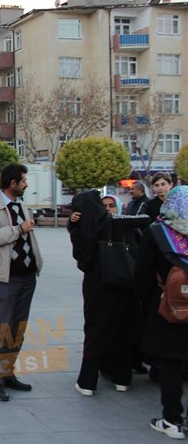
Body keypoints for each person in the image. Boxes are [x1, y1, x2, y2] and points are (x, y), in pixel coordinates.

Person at [68, 190, 150, 397]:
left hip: (95, 284)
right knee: (121, 327)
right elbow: (145, 218)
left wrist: (73, 222)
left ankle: (88, 381)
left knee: (95, 329)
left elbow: (79, 254)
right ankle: (122, 379)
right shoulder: (113, 220)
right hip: (121, 280)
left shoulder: (79, 227)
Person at [0, 163, 43, 401]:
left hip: (27, 275)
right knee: (3, 328)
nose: (26, 184)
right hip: (4, 277)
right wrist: (18, 229)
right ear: (12, 183)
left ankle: (8, 373)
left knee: (18, 328)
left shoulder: (21, 205)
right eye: (23, 180)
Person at [134, 185, 188, 439]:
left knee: (170, 363)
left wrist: (148, 302)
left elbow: (142, 274)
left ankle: (172, 420)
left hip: (168, 306)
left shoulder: (158, 232)